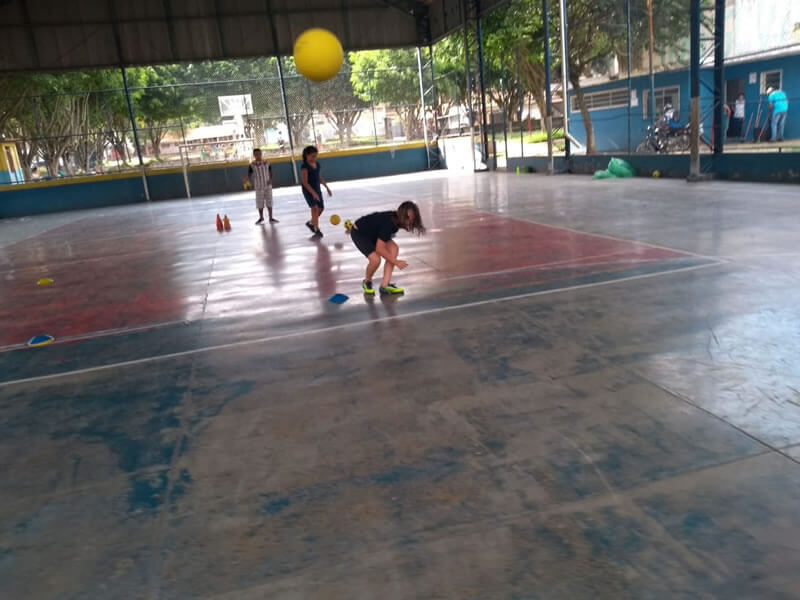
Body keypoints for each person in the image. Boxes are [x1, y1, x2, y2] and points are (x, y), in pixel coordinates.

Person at [350, 201, 425, 296]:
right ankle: (367, 281)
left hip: (374, 233)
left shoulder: (395, 222)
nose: (410, 221)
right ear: (402, 215)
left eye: (412, 219)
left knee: (394, 248)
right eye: (408, 218)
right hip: (360, 233)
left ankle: (384, 286)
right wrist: (396, 262)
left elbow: (382, 239)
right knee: (375, 260)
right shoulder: (389, 224)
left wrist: (393, 260)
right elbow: (379, 249)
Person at [301, 145, 331, 237]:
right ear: (306, 155)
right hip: (308, 190)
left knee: (321, 208)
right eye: (312, 156)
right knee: (314, 208)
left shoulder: (317, 164)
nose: (314, 158)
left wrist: (327, 187)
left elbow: (319, 177)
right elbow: (305, 182)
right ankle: (316, 228)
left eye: (315, 156)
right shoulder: (305, 166)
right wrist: (313, 193)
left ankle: (311, 222)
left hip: (317, 189)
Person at [243, 148, 276, 225]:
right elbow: (249, 175)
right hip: (258, 186)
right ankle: (261, 217)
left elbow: (270, 172)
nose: (258, 155)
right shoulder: (252, 165)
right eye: (256, 154)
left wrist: (271, 179)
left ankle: (271, 217)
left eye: (259, 154)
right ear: (254, 155)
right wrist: (246, 179)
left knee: (269, 201)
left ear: (261, 154)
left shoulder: (267, 162)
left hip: (267, 185)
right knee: (259, 202)